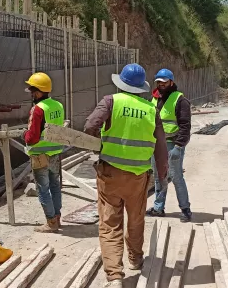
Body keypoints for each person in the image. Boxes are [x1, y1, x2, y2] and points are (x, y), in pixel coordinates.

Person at [84, 63, 169, 288]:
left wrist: (97, 147)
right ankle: (136, 258)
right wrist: (162, 175)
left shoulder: (111, 101)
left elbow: (90, 125)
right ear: (142, 87)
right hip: (139, 177)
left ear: (121, 84)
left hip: (110, 173)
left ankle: (115, 277)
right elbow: (161, 148)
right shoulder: (152, 110)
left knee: (110, 223)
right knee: (136, 218)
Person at [145, 68, 193, 222]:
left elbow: (185, 126)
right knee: (159, 177)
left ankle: (185, 209)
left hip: (173, 144)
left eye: (164, 82)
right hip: (157, 144)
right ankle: (158, 208)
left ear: (171, 82)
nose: (161, 85)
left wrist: (179, 147)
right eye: (159, 82)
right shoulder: (154, 99)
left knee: (176, 176)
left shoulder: (180, 100)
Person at [23, 72, 65, 233]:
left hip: (40, 155)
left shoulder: (38, 109)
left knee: (43, 188)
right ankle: (57, 217)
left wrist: (24, 135)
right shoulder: (58, 106)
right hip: (55, 153)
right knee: (55, 186)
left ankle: (51, 222)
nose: (32, 94)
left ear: (39, 91)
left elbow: (32, 137)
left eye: (33, 90)